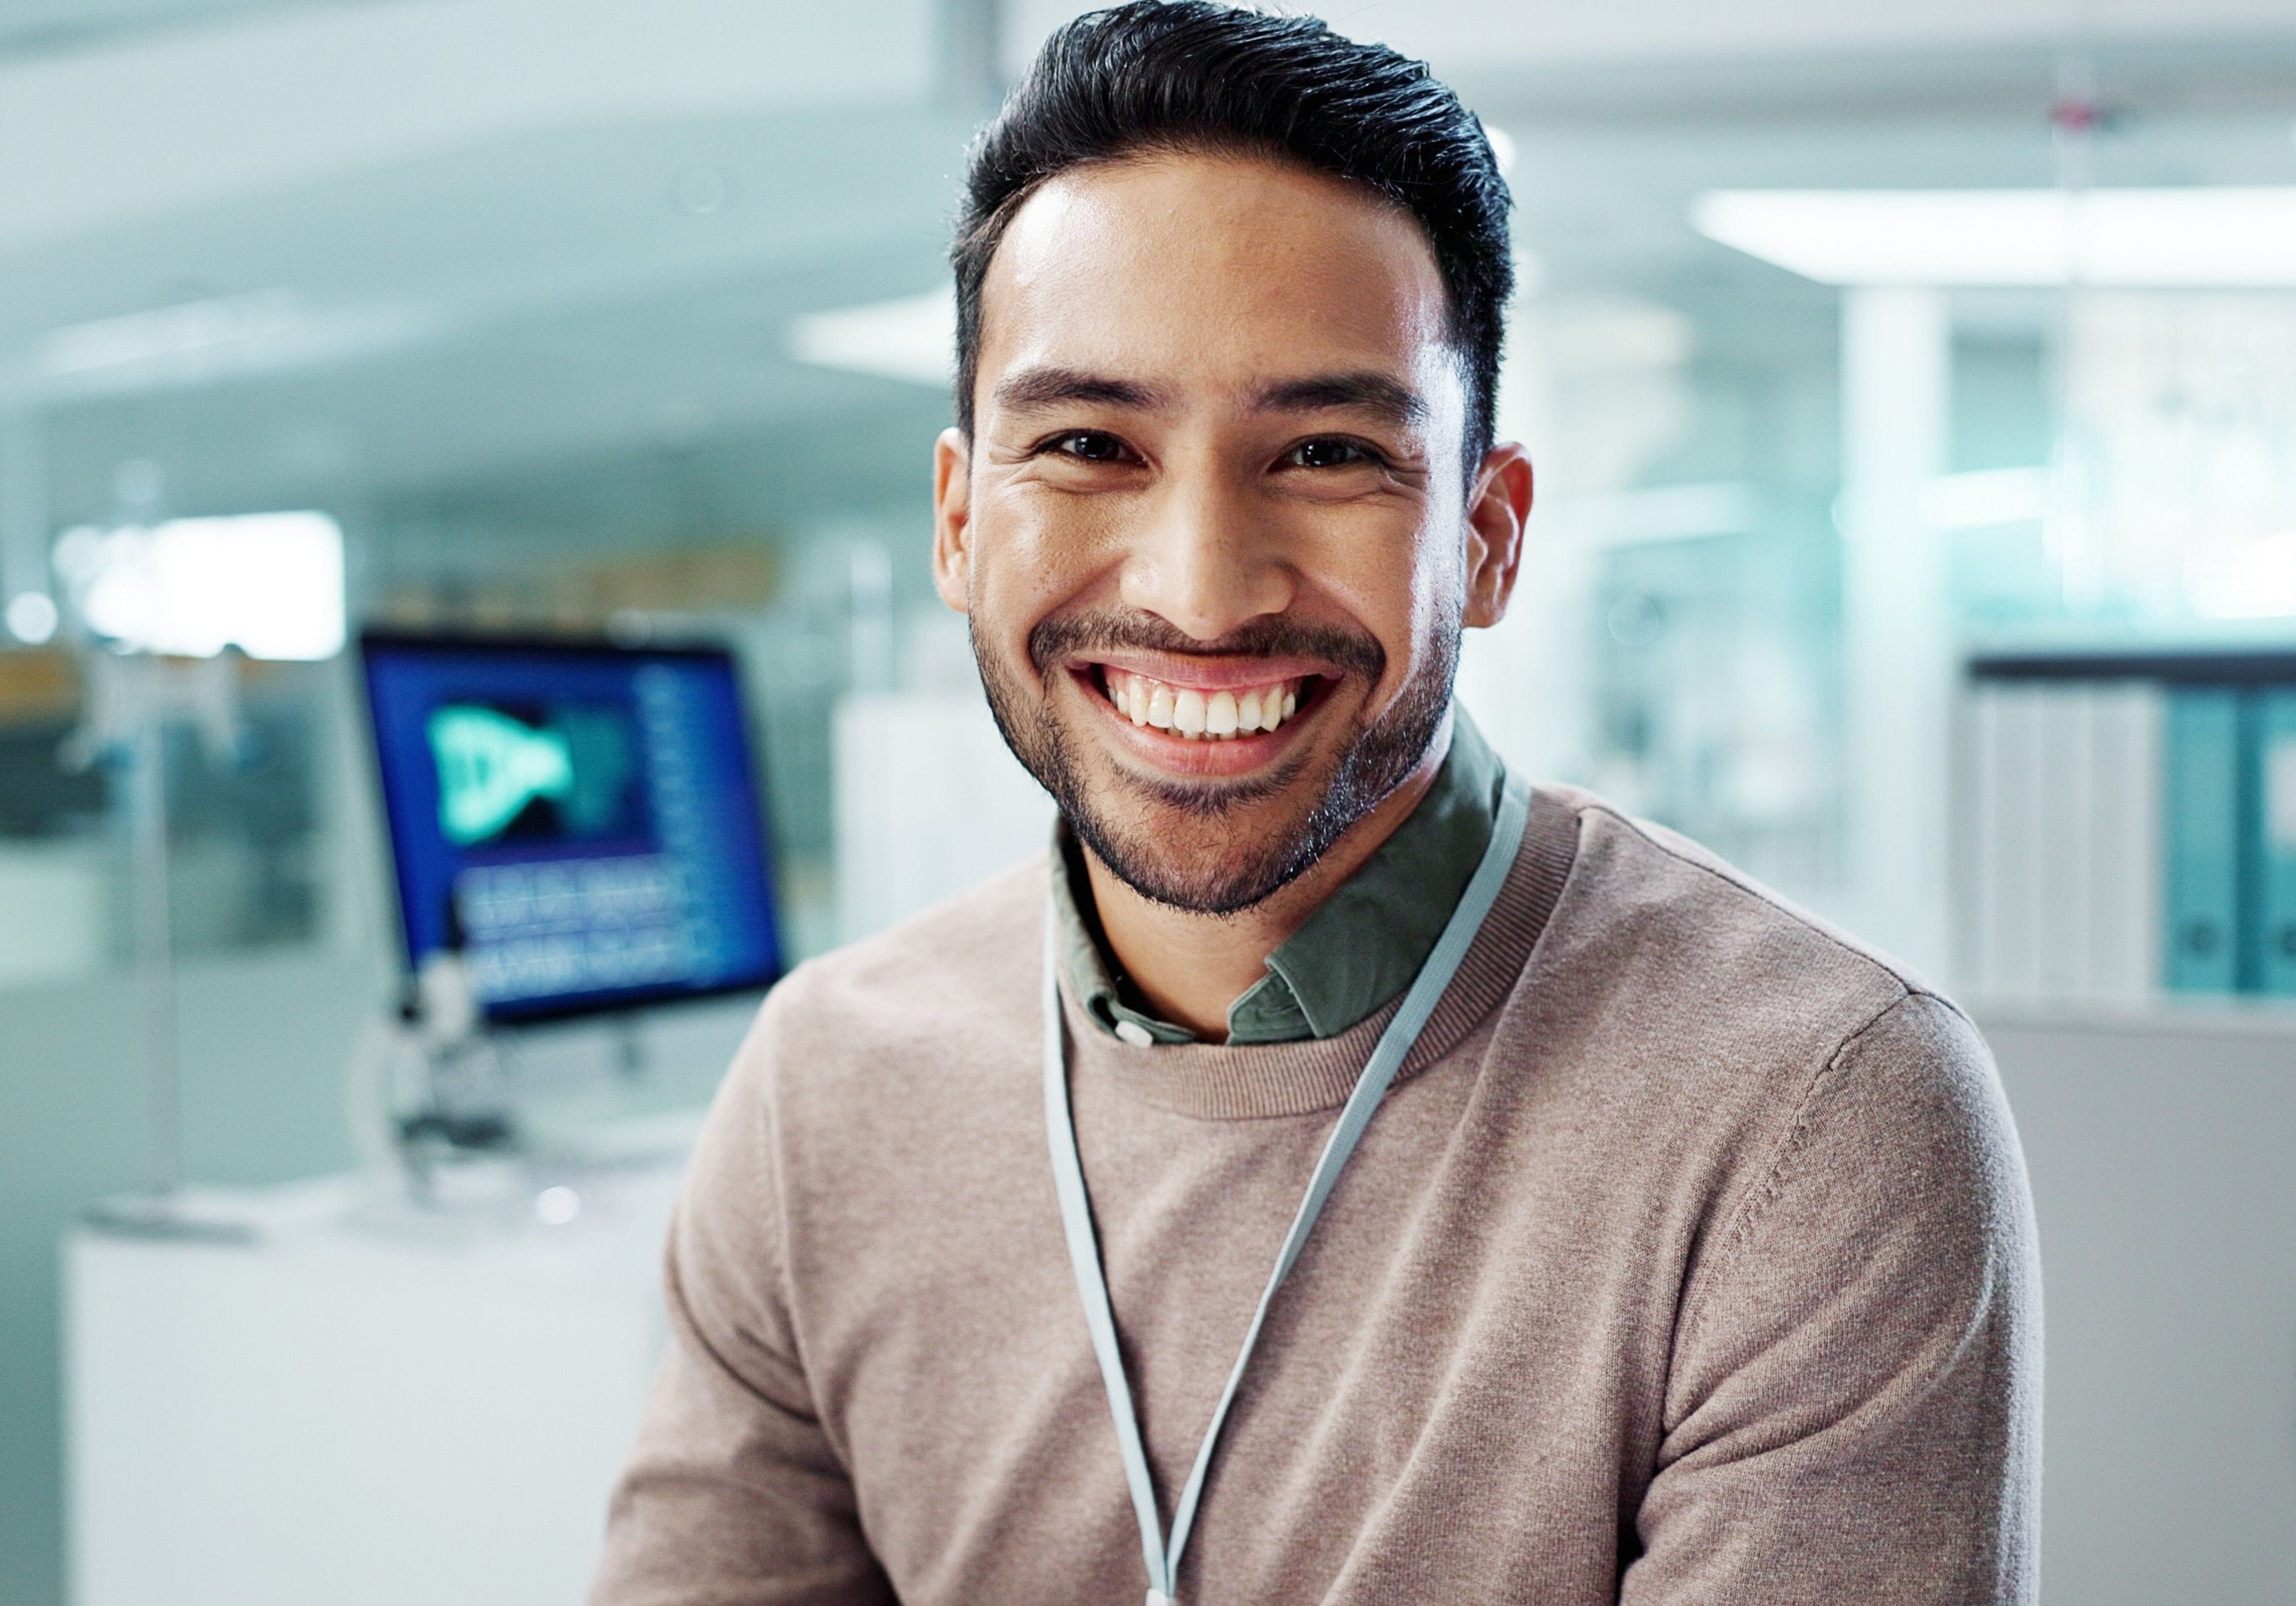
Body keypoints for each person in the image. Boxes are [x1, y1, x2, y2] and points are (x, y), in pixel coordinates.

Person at [590, 5, 2040, 1603]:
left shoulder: (1803, 1113)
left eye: (1329, 451)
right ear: (957, 520)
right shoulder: (826, 1091)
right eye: (1088, 442)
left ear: (1487, 536)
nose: (1203, 590)